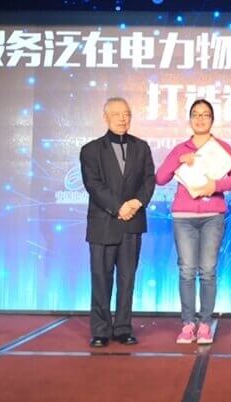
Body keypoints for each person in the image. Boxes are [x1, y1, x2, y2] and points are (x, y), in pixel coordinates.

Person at [156, 99, 231, 344]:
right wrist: (179, 160)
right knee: (186, 270)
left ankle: (205, 323)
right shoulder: (180, 149)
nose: (200, 119)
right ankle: (187, 324)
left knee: (207, 270)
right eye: (196, 114)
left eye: (205, 115)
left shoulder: (222, 148)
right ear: (190, 119)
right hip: (184, 217)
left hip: (212, 217)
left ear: (212, 120)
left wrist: (215, 185)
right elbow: (160, 178)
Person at [80, 97, 155, 347]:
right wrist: (118, 207)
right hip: (103, 223)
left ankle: (123, 327)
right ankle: (100, 329)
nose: (122, 119)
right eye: (116, 114)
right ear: (105, 118)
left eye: (126, 114)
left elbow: (149, 180)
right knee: (101, 278)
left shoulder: (141, 147)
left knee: (127, 278)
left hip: (132, 223)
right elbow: (93, 185)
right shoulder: (91, 150)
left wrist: (137, 202)